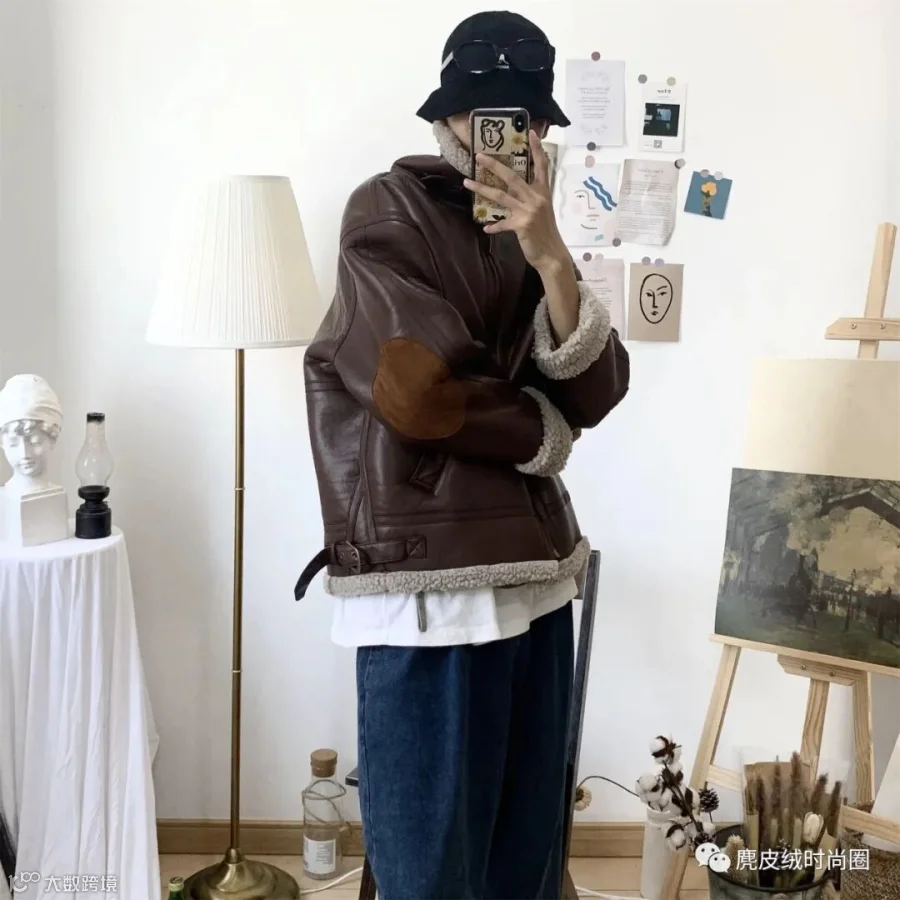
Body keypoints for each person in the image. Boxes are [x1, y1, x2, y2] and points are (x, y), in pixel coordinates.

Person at [297, 11, 630, 899]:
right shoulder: (386, 209)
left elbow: (599, 391)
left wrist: (552, 258)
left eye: (525, 117)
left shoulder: (530, 235)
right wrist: (542, 433)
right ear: (443, 116)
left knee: (526, 867)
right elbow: (419, 388)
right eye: (484, 114)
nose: (507, 135)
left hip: (537, 580)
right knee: (431, 874)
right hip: (429, 591)